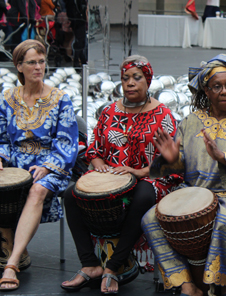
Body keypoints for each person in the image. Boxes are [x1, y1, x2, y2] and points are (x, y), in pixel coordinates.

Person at [141, 53, 226, 296]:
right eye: (217, 86)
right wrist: (171, 159)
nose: (224, 91)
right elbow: (180, 166)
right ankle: (186, 284)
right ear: (206, 91)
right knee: (150, 219)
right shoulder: (190, 122)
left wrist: (223, 157)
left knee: (225, 220)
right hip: (194, 194)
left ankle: (225, 286)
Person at [60, 55, 181, 294]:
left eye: (137, 78)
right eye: (125, 78)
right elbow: (94, 149)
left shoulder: (163, 114)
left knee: (142, 196)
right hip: (112, 179)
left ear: (148, 80)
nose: (130, 83)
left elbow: (169, 164)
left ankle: (114, 266)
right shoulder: (109, 112)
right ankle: (90, 264)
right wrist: (99, 165)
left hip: (149, 178)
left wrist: (137, 172)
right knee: (71, 196)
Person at [0, 39, 78, 291]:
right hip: (15, 161)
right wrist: (0, 158)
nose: (38, 67)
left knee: (37, 189)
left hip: (49, 164)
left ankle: (11, 263)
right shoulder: (7, 97)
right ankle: (9, 246)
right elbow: (1, 137)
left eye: (41, 62)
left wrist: (49, 165)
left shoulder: (60, 99)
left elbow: (67, 141)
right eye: (31, 62)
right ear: (18, 66)